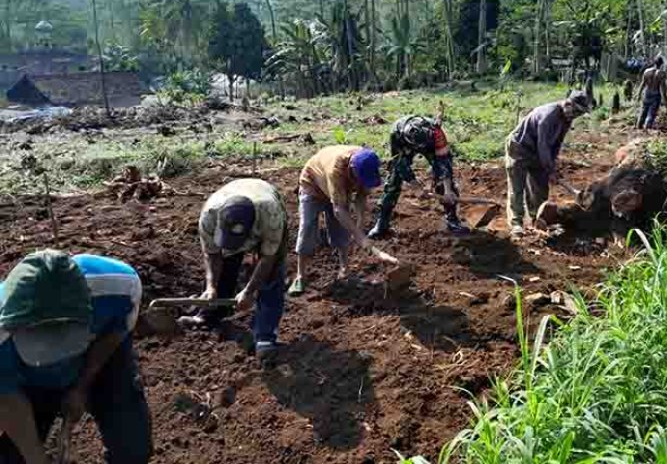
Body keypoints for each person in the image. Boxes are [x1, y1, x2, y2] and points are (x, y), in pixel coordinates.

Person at [0, 250, 151, 464]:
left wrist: (82, 385)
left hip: (99, 352)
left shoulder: (118, 288)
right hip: (25, 375)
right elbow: (6, 398)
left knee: (132, 449)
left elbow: (116, 331)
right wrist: (36, 458)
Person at [185, 178, 288, 360]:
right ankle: (210, 315)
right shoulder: (209, 215)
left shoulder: (271, 216)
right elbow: (212, 254)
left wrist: (249, 291)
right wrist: (211, 287)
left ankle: (265, 335)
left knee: (271, 278)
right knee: (225, 264)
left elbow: (267, 259)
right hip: (235, 200)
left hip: (265, 210)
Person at [289, 145, 387, 295]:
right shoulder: (336, 169)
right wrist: (360, 238)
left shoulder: (365, 163)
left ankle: (345, 270)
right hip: (313, 186)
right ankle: (300, 275)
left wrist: (360, 225)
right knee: (307, 227)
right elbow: (339, 209)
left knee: (340, 230)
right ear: (353, 169)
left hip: (338, 190)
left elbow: (362, 195)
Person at [504, 90, 591, 236]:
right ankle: (516, 224)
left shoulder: (566, 119)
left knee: (540, 186)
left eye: (580, 113)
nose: (576, 115)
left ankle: (537, 219)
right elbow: (543, 145)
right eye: (576, 111)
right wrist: (549, 170)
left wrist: (552, 166)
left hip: (536, 151)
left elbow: (556, 144)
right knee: (517, 187)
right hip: (519, 147)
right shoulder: (548, 116)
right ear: (568, 104)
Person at [368, 116, 469, 239]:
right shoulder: (397, 133)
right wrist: (416, 186)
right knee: (393, 180)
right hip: (405, 146)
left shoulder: (436, 132)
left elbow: (444, 162)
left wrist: (448, 190)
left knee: (444, 181)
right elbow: (400, 164)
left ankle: (453, 220)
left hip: (430, 145)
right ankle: (382, 223)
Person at [636, 56, 667, 130]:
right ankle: (647, 129)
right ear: (661, 64)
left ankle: (638, 127)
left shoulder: (646, 71)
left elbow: (642, 84)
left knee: (643, 112)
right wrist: (666, 101)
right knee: (651, 114)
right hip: (655, 95)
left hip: (647, 93)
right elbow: (662, 89)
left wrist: (638, 94)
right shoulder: (661, 74)